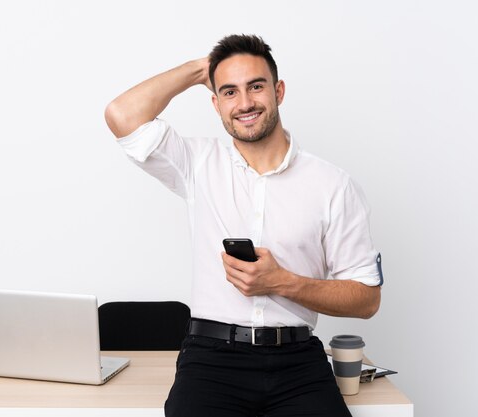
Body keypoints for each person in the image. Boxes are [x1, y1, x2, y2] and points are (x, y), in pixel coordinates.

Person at [105, 34, 383, 417]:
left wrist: (282, 281)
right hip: (211, 361)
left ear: (279, 90)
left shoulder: (333, 185)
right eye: (230, 92)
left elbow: (367, 299)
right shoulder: (196, 164)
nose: (246, 103)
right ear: (216, 104)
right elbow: (121, 115)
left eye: (256, 86)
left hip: (298, 362)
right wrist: (201, 68)